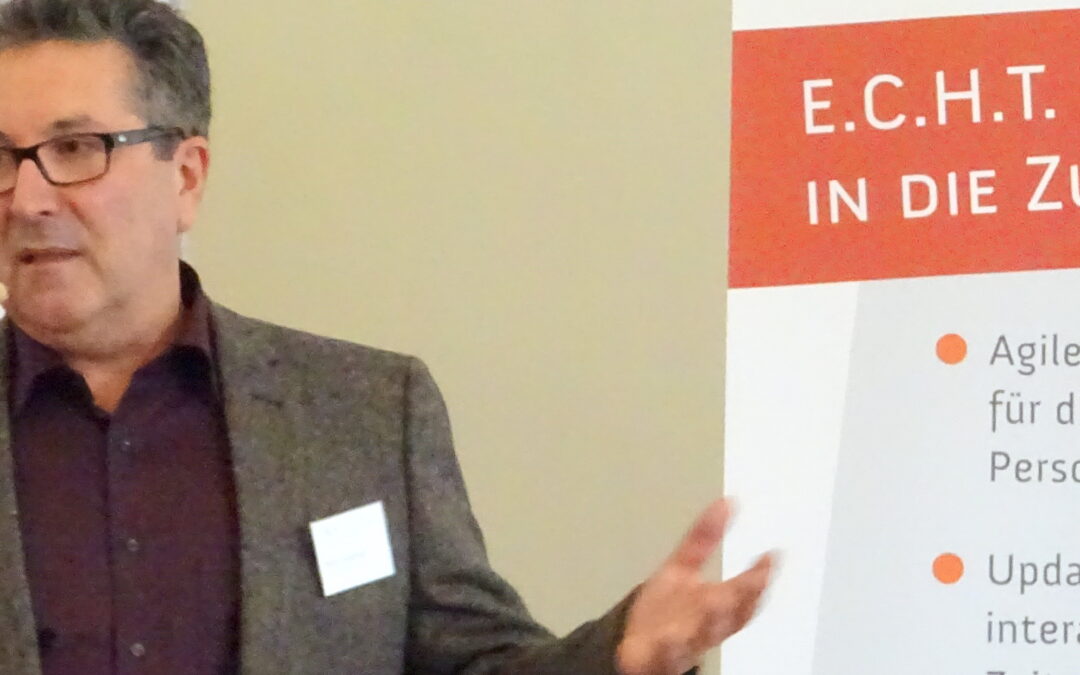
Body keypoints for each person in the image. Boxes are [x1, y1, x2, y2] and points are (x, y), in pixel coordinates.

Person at [0, 0, 774, 673]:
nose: (28, 197)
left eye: (76, 149)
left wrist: (617, 658)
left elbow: (474, 662)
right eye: (3, 157)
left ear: (187, 175)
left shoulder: (365, 414)